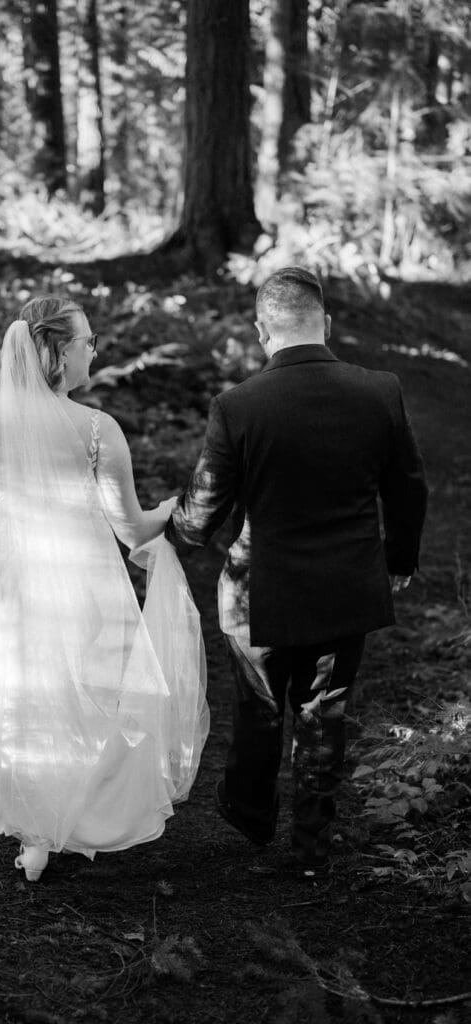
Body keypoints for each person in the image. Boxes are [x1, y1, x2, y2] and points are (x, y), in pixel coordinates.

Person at [0, 296, 208, 881]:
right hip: (75, 572)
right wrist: (170, 510)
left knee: (11, 686)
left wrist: (2, 502)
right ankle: (64, 820)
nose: (94, 351)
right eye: (87, 342)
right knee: (82, 691)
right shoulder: (97, 428)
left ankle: (30, 827)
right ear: (58, 352)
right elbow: (130, 528)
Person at [166, 267, 428, 872]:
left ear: (262, 331)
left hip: (259, 591)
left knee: (259, 707)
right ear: (326, 324)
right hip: (346, 585)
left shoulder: (237, 406)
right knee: (323, 711)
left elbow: (203, 511)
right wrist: (399, 560)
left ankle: (252, 815)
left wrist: (172, 529)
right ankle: (311, 846)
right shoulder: (379, 390)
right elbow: (409, 488)